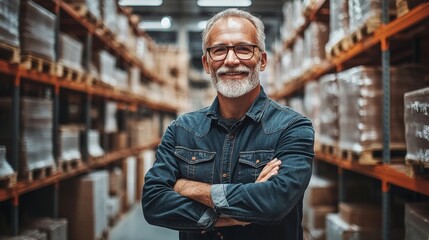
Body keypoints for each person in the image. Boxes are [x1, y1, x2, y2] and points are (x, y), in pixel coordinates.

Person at [142, 8, 314, 240]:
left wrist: (186, 187)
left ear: (262, 60)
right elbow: (153, 202)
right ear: (206, 63)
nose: (231, 60)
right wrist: (234, 216)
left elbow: (275, 202)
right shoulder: (181, 130)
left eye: (243, 49)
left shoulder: (293, 128)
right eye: (219, 50)